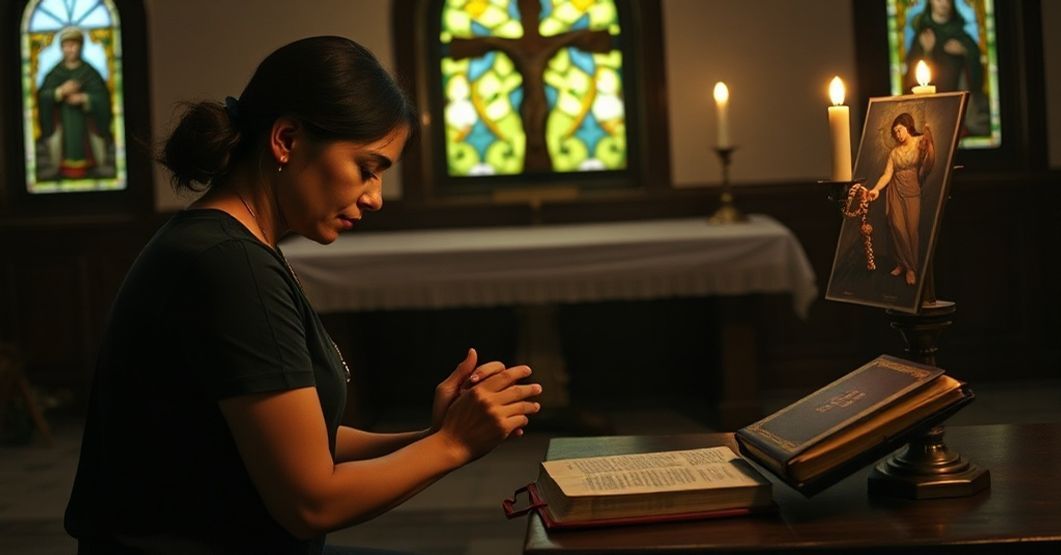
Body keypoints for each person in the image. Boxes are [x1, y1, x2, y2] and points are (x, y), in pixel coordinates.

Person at [64, 36, 542, 555]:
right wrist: (453, 444)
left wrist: (436, 433)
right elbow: (311, 504)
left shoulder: (227, 246)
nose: (376, 197)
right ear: (287, 139)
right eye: (367, 168)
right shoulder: (228, 265)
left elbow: (308, 445)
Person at [866, 113, 935, 287]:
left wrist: (929, 141)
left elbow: (929, 162)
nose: (898, 134)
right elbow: (887, 174)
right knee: (897, 228)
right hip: (895, 191)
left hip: (912, 191)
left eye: (900, 130)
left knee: (912, 230)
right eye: (895, 132)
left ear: (908, 126)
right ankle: (906, 266)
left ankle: (910, 265)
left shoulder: (920, 142)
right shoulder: (894, 152)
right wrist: (875, 189)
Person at [36, 27, 113, 179]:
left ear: (80, 46)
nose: (70, 49)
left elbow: (103, 99)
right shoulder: (55, 73)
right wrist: (59, 92)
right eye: (66, 45)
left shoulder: (89, 72)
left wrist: (85, 99)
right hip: (62, 123)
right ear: (61, 48)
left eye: (73, 45)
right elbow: (43, 97)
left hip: (86, 126)